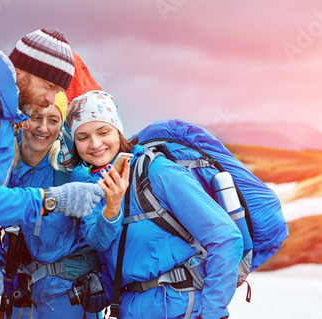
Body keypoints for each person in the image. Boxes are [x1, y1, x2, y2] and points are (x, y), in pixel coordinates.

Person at [0, 28, 105, 316]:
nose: (50, 98)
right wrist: (49, 200)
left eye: (58, 91)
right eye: (49, 85)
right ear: (24, 70)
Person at [66, 90, 243, 319]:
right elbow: (100, 242)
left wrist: (212, 313)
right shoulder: (92, 187)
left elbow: (226, 238)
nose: (95, 144)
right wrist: (111, 208)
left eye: (103, 132)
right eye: (83, 137)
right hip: (130, 309)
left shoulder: (157, 172)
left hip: (181, 307)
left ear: (118, 131)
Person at [0, 92, 127, 318]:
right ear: (21, 119)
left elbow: (99, 238)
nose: (43, 128)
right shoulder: (3, 166)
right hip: (20, 295)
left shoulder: (73, 170)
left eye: (53, 120)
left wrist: (110, 211)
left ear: (61, 126)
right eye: (36, 117)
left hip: (68, 297)